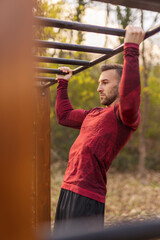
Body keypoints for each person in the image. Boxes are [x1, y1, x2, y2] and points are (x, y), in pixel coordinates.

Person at [54, 26, 145, 232]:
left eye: (105, 83)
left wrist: (131, 48)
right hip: (67, 189)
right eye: (99, 83)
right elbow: (64, 116)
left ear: (120, 85)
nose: (99, 88)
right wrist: (62, 84)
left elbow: (130, 101)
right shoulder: (93, 113)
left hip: (87, 196)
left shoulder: (124, 116)